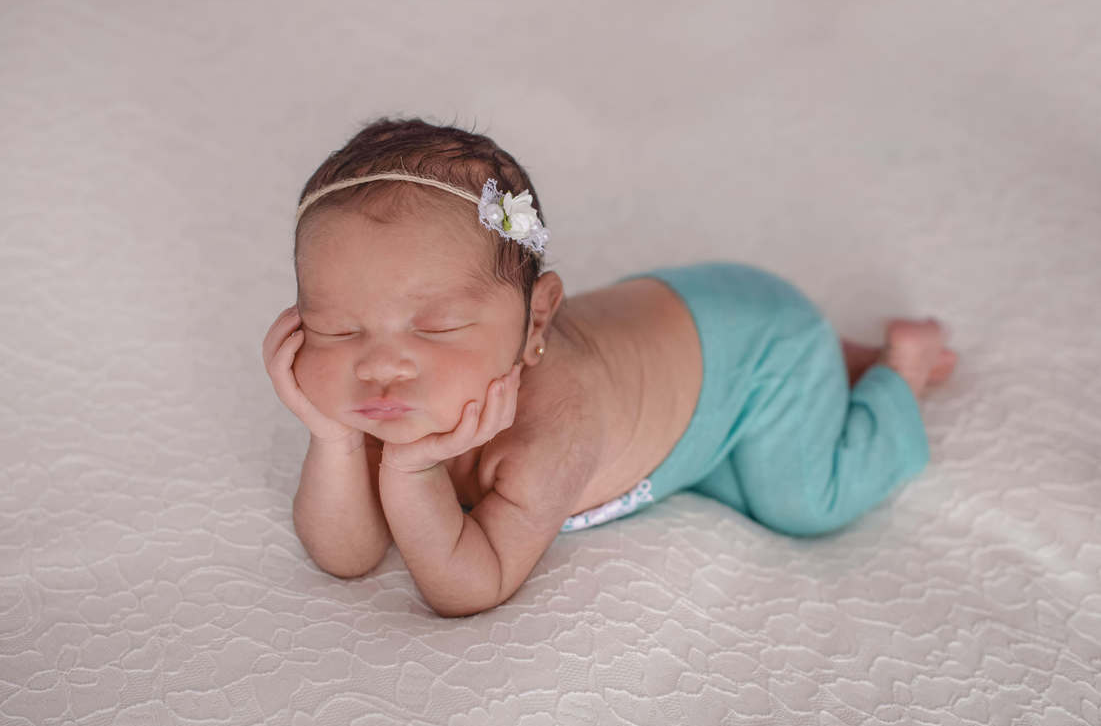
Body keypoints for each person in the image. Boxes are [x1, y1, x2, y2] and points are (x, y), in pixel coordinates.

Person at [261, 116, 958, 618]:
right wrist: (335, 438)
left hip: (759, 356)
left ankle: (899, 367)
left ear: (536, 322)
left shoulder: (553, 428)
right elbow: (346, 554)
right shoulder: (395, 390)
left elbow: (468, 585)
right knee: (713, 467)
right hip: (682, 323)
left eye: (436, 326)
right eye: (336, 328)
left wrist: (410, 471)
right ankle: (834, 359)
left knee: (799, 501)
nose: (381, 365)